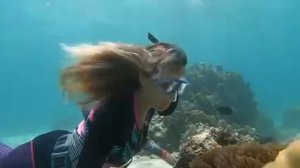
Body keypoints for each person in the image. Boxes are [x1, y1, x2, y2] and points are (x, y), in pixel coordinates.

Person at [0, 33, 188, 168]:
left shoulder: (147, 108)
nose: (174, 96)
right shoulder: (114, 112)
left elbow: (139, 140)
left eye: (180, 87)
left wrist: (164, 155)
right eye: (169, 86)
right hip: (36, 160)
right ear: (143, 77)